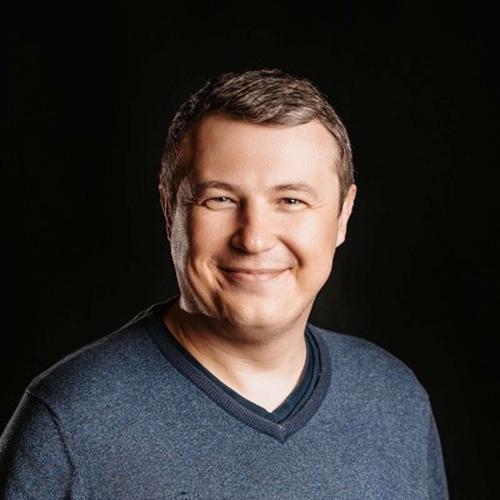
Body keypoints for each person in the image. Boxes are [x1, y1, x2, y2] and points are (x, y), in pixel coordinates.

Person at [0, 69, 448, 498]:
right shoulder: (70, 423)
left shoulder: (395, 401)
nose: (254, 238)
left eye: (291, 200)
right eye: (220, 199)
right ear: (170, 210)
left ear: (342, 216)